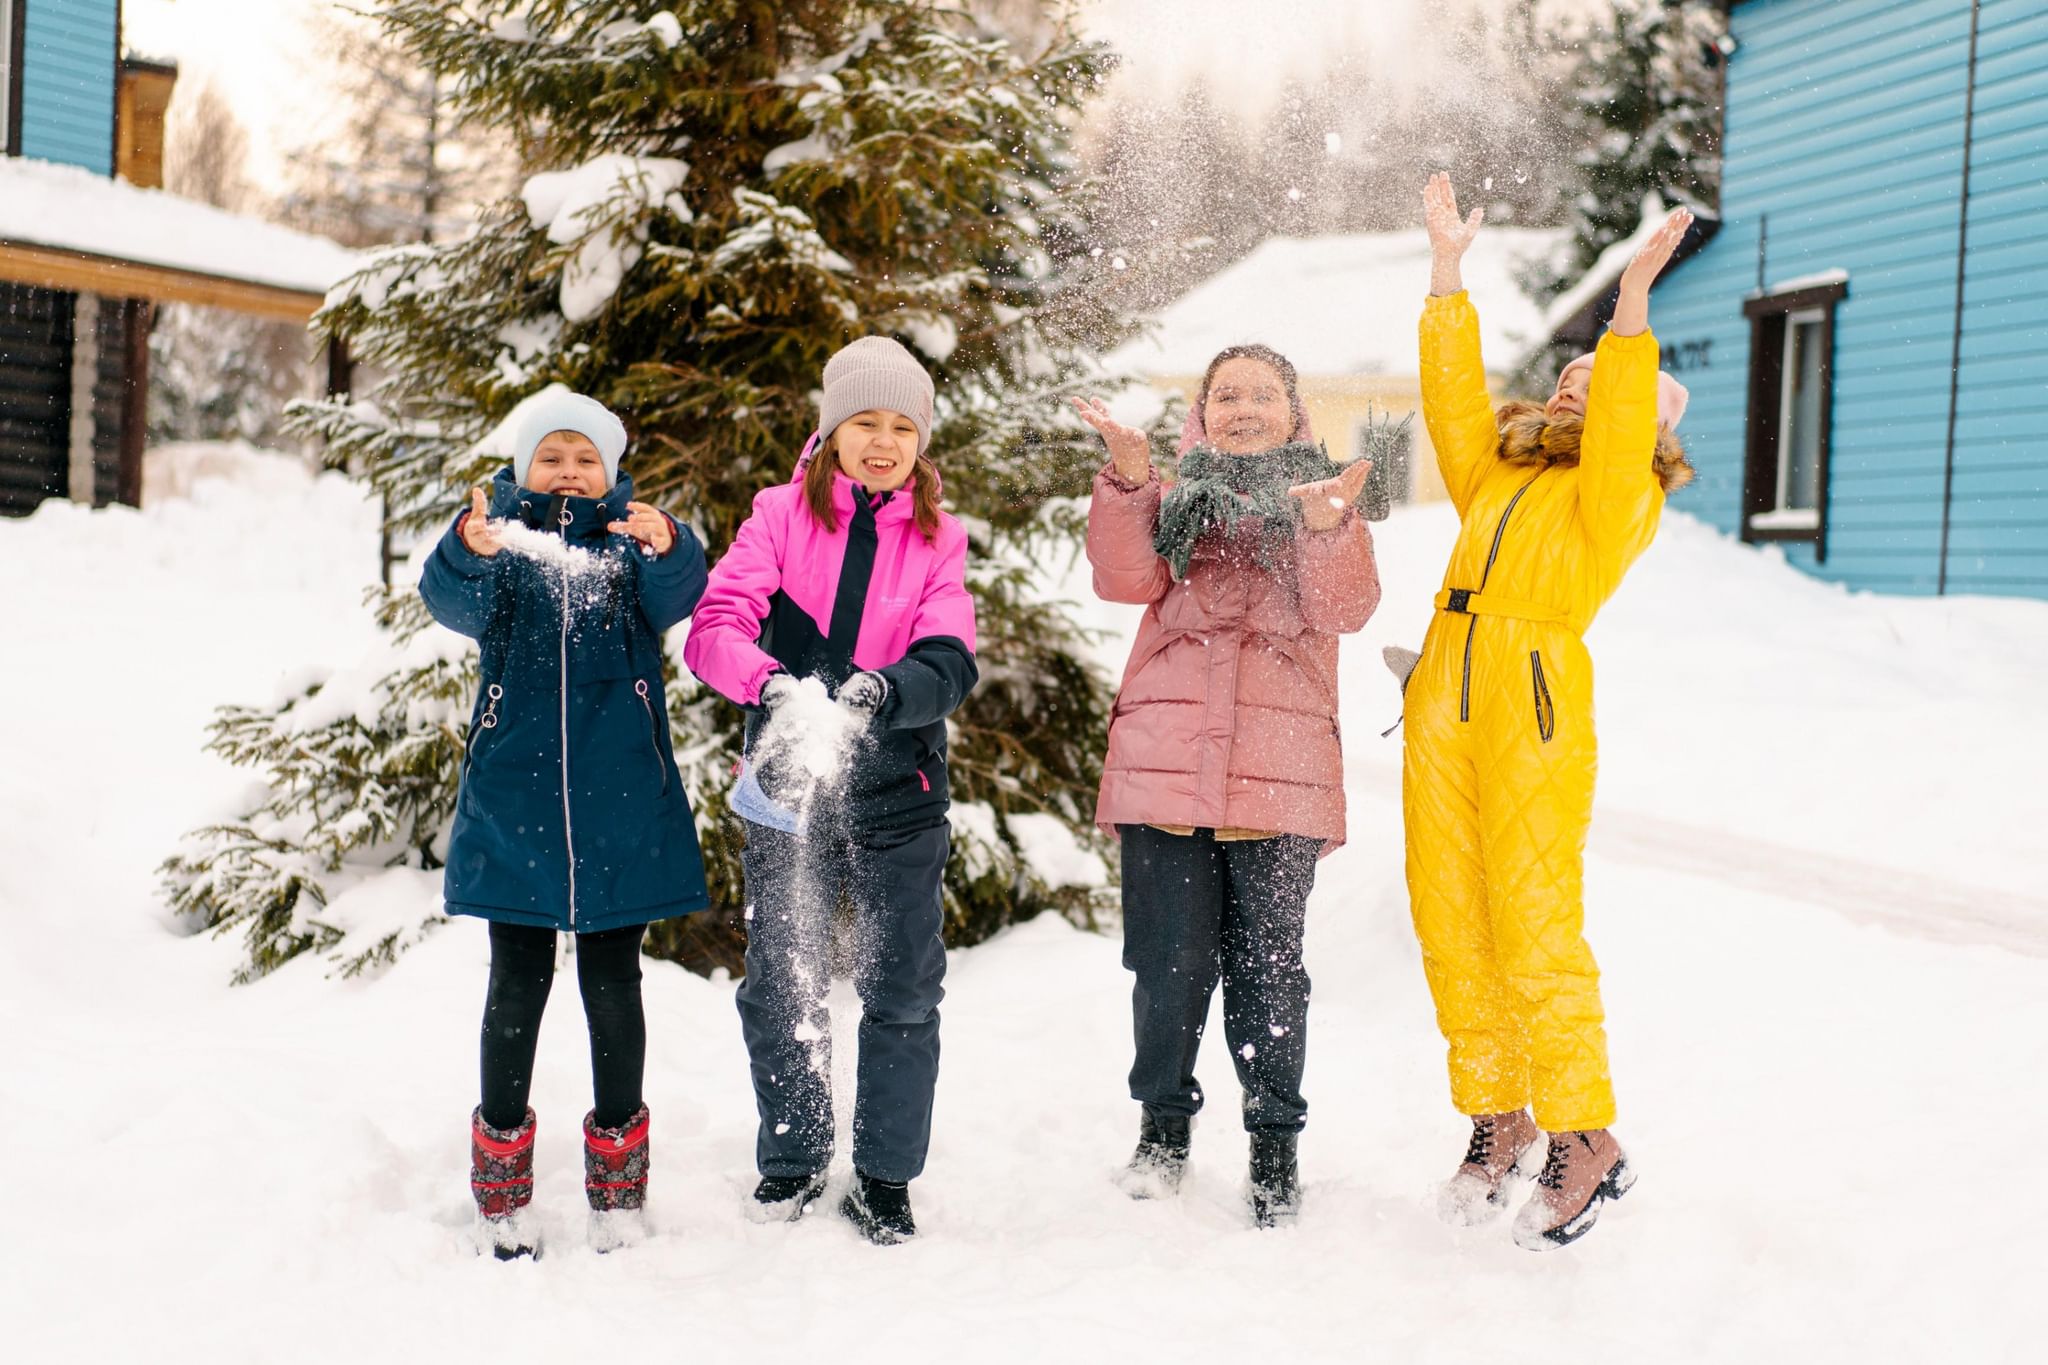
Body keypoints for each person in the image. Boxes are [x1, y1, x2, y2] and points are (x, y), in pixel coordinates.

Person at [1405, 172, 1693, 1250]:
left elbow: (1621, 423)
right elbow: (1450, 401)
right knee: (1449, 919)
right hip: (1443, 693)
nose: (1574, 389)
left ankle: (1584, 1133)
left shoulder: (1619, 495)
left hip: (1531, 701)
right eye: (1566, 376)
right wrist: (1446, 273)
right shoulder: (1498, 474)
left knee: (1532, 920)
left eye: (1596, 384)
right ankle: (1499, 1114)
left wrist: (1627, 310)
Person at [1073, 346, 1381, 1227]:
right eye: (1227, 393)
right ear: (1202, 412)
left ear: (1294, 412)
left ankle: (1274, 1144)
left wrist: (1325, 526)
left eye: (1263, 393)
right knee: (1166, 967)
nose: (1245, 407)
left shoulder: (1323, 497)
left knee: (1269, 973)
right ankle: (1162, 1129)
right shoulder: (1171, 499)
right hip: (1165, 764)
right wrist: (1130, 484)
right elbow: (1123, 577)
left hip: (1280, 775)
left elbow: (1345, 607)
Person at [682, 337, 977, 1246]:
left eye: (902, 427)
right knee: (784, 975)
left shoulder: (938, 535)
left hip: (900, 783)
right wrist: (770, 682)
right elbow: (714, 625)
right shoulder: (776, 515)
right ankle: (795, 1151)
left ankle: (886, 1175)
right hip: (788, 781)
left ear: (919, 442)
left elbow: (951, 657)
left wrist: (886, 691)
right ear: (832, 428)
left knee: (903, 985)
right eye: (865, 422)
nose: (882, 441)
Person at [419, 389, 710, 1258]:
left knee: (615, 986)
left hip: (620, 804)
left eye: (587, 459)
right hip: (518, 802)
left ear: (613, 474)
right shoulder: (503, 549)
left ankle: (618, 1186)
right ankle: (501, 1186)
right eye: (551, 457)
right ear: (520, 468)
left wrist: (669, 544)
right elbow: (451, 602)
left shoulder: (628, 552)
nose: (569, 472)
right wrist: (464, 551)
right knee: (516, 984)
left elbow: (681, 593)